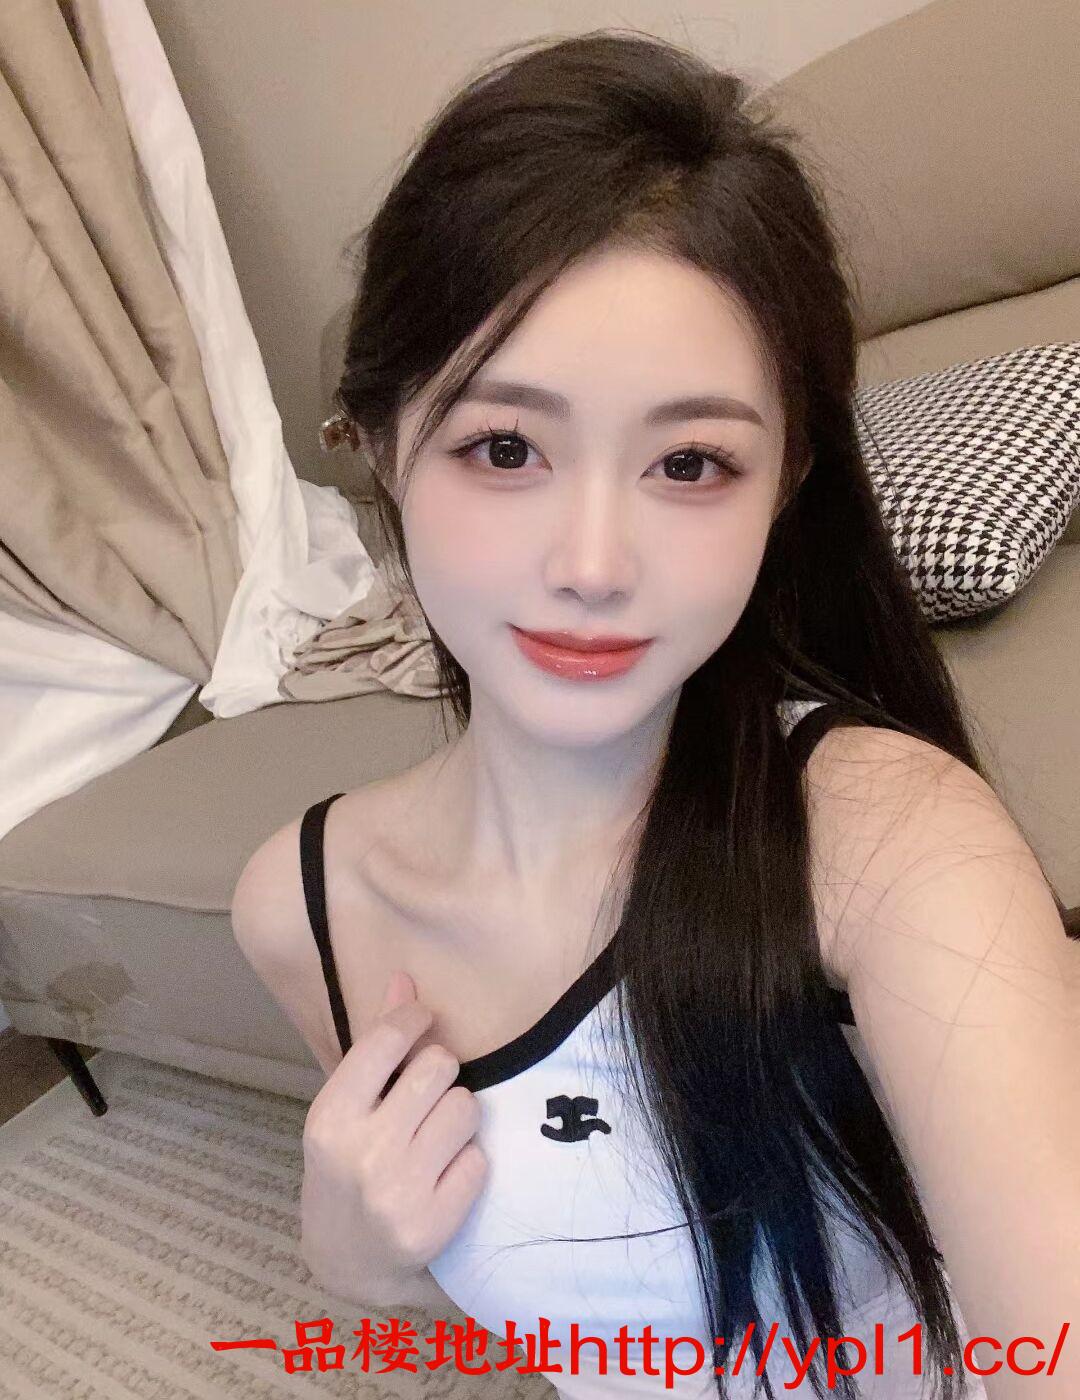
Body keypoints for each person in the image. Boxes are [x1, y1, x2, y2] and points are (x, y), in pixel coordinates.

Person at [230, 28, 1080, 1400]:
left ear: (786, 481)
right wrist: (356, 1258)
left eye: (689, 463)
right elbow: (549, 1292)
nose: (593, 564)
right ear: (379, 445)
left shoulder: (889, 839)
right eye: (506, 447)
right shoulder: (300, 907)